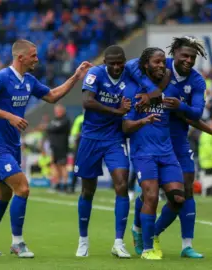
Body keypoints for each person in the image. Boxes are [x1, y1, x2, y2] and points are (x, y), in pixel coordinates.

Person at [0, 39, 92, 258]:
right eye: (34, 55)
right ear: (21, 58)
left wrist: (76, 77)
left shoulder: (29, 81)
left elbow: (53, 95)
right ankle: (17, 243)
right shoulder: (0, 77)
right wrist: (9, 116)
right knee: (23, 189)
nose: (37, 59)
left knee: (4, 195)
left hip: (13, 146)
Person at [127, 36, 212, 258]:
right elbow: (131, 65)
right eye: (184, 56)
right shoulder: (160, 66)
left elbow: (196, 113)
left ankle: (182, 243)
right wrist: (151, 91)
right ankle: (140, 230)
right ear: (173, 54)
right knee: (151, 192)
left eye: (192, 57)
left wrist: (182, 106)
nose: (188, 60)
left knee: (185, 193)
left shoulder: (196, 81)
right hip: (152, 138)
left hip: (177, 139)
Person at [122, 47, 186, 260]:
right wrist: (143, 120)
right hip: (143, 153)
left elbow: (190, 116)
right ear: (146, 64)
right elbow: (125, 127)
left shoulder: (171, 92)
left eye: (163, 62)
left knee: (178, 199)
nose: (161, 65)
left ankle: (152, 231)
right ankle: (148, 247)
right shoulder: (133, 91)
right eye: (156, 62)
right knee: (151, 196)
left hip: (167, 153)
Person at [74, 45, 133, 258]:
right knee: (88, 191)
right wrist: (117, 111)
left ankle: (118, 242)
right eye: (113, 63)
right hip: (91, 137)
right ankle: (83, 240)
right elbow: (87, 101)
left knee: (122, 184)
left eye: (120, 63)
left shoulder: (130, 74)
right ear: (105, 62)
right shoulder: (95, 73)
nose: (117, 67)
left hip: (114, 138)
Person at [46, 104, 71, 192]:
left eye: (58, 111)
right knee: (54, 166)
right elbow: (49, 128)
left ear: (62, 111)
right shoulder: (54, 120)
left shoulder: (65, 120)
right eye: (56, 111)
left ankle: (65, 185)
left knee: (62, 166)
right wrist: (50, 127)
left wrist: (50, 127)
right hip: (53, 147)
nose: (57, 112)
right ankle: (56, 184)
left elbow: (53, 128)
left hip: (62, 147)